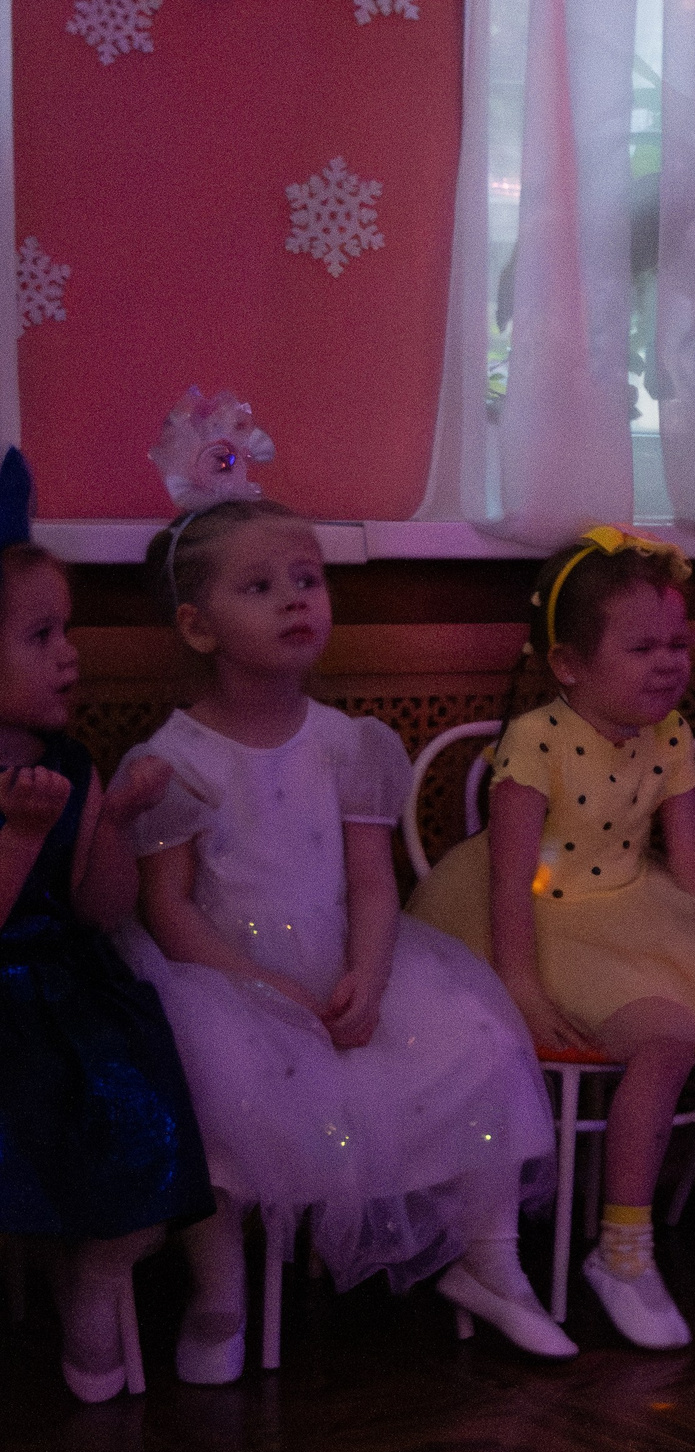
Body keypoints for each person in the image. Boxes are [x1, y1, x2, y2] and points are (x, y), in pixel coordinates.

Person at [124, 498, 573, 1380]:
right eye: (261, 586)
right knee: (216, 1083)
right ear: (197, 626)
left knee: (478, 1038)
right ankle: (219, 1295)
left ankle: (491, 1261)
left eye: (309, 579)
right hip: (223, 975)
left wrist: (369, 971)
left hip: (343, 959)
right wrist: (262, 990)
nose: (297, 601)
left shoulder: (347, 744)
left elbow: (373, 881)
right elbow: (168, 911)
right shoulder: (172, 760)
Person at [409, 527, 695, 1349]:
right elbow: (507, 880)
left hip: (645, 906)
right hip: (549, 916)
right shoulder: (535, 740)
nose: (669, 663)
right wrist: (520, 987)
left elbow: (694, 858)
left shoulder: (668, 733)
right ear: (569, 664)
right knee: (667, 1039)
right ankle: (623, 1249)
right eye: (642, 648)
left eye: (678, 643)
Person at [0, 448, 217, 1404]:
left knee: (135, 1104)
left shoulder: (70, 760)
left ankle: (94, 1275)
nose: (70, 654)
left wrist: (112, 827)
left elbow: (102, 911)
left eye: (68, 630)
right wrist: (18, 836)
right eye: (41, 635)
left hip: (65, 987)